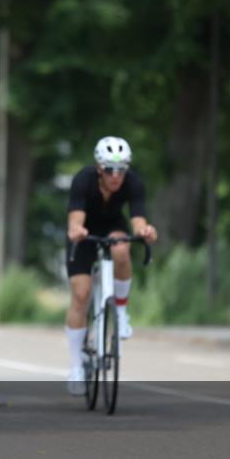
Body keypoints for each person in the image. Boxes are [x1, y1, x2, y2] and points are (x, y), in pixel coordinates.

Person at [64, 137, 157, 396]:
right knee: (81, 294)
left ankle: (122, 311)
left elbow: (138, 220)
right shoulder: (83, 180)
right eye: (109, 170)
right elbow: (75, 218)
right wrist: (76, 230)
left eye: (121, 170)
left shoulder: (134, 183)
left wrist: (145, 230)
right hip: (83, 233)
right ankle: (75, 367)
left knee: (122, 249)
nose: (116, 176)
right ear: (98, 168)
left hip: (113, 225)